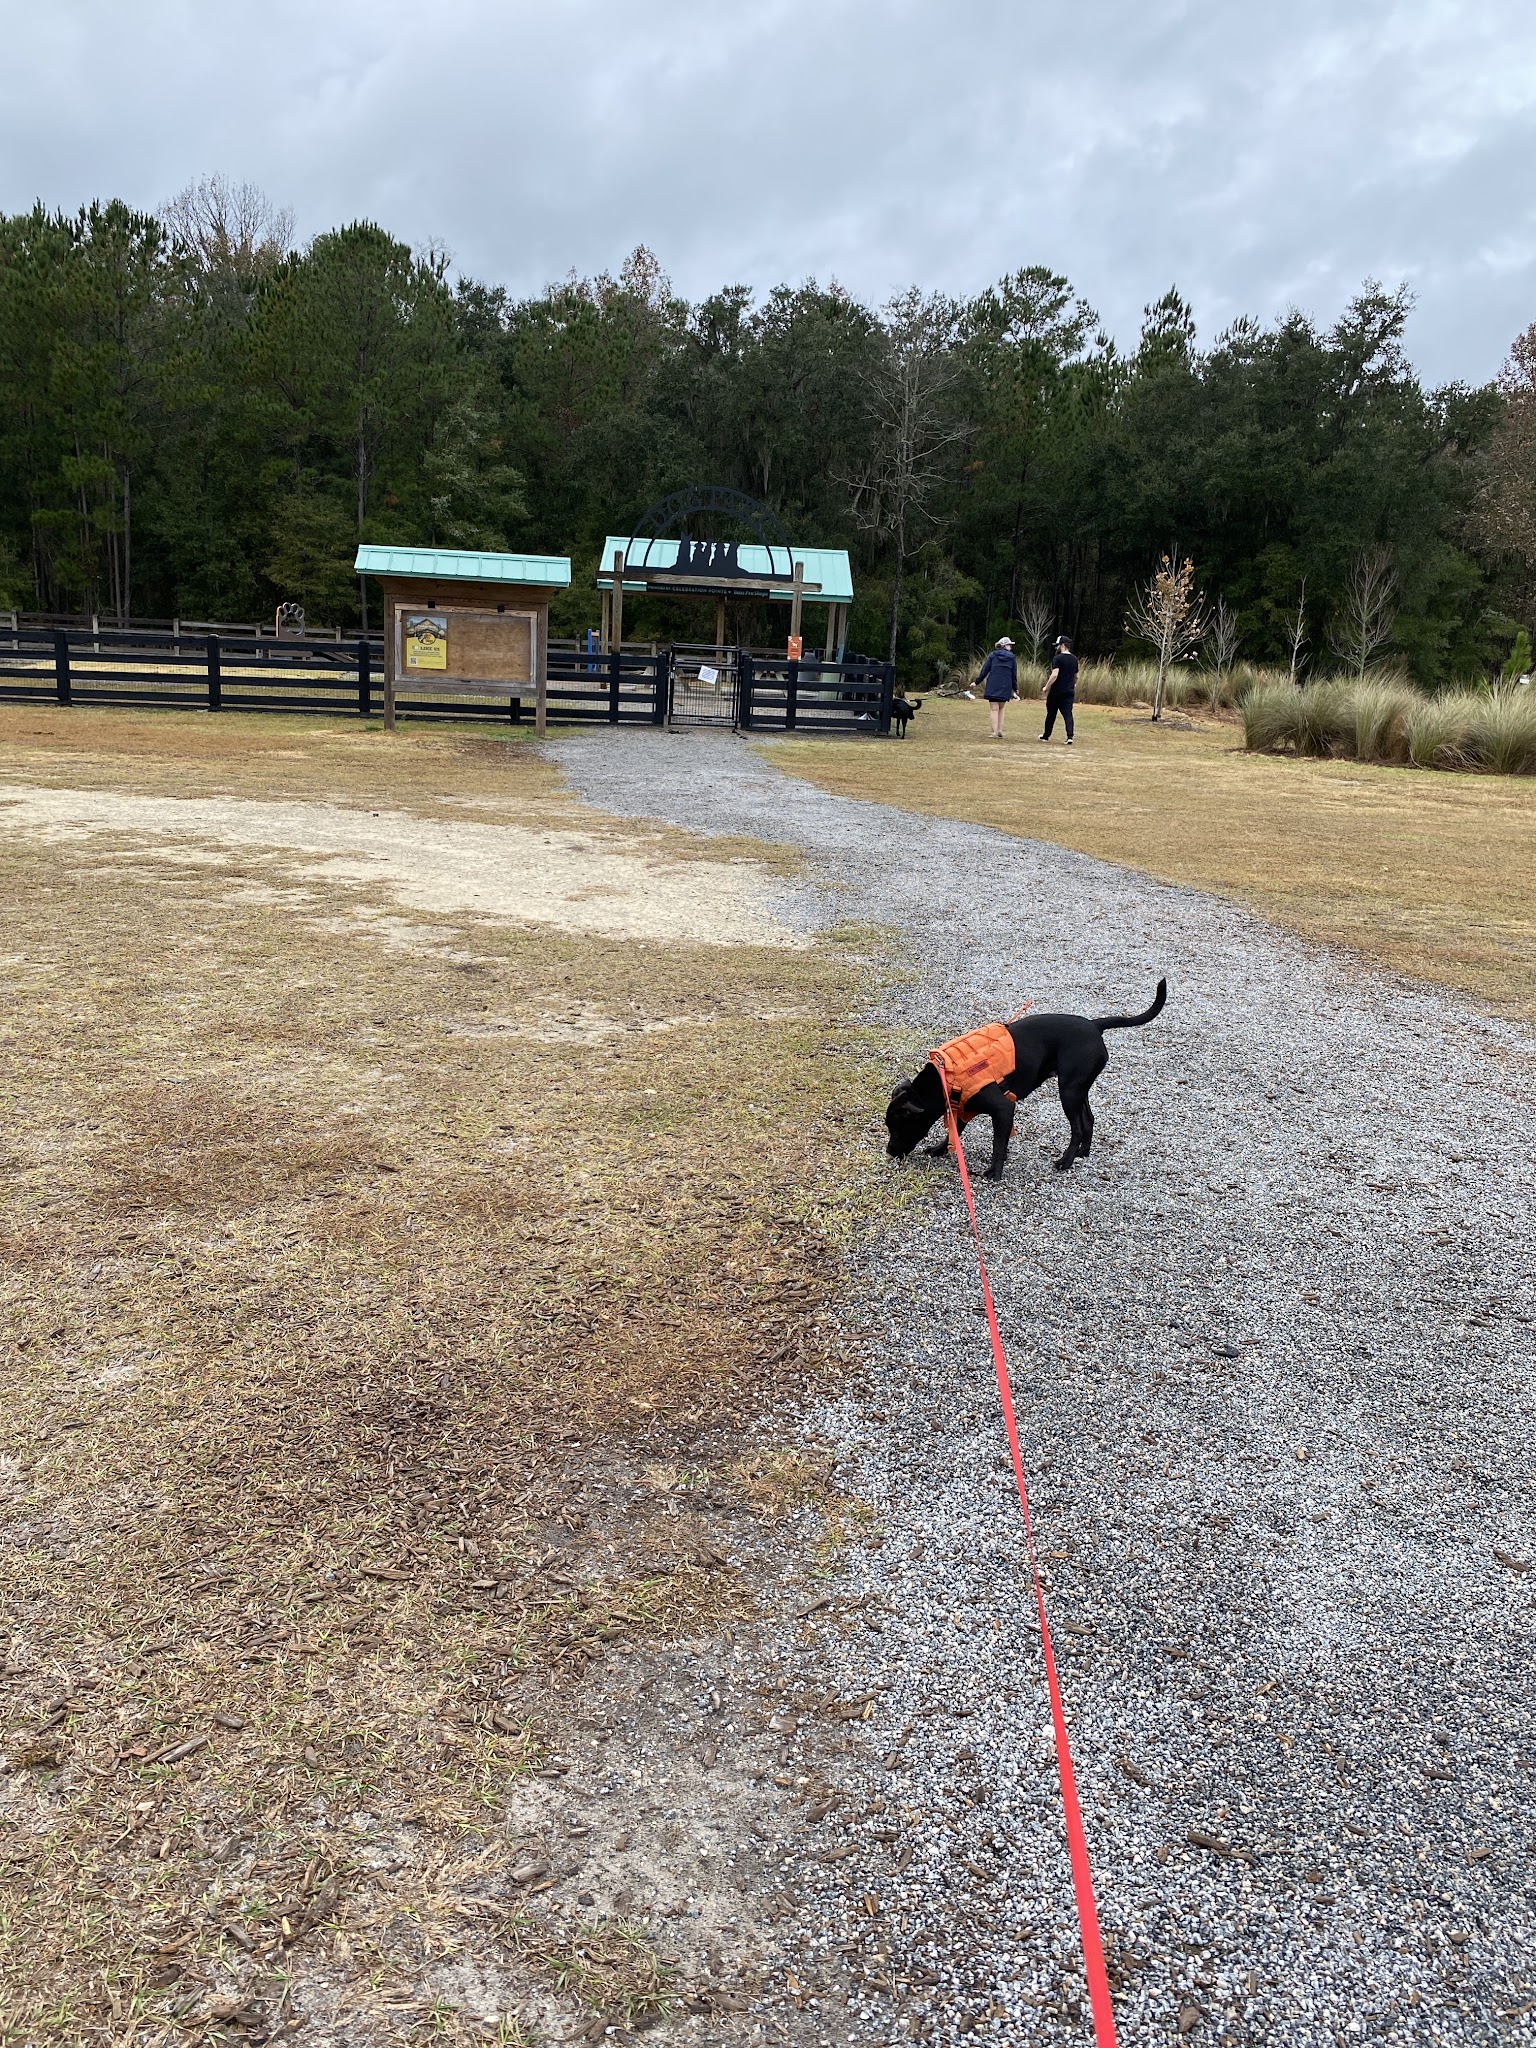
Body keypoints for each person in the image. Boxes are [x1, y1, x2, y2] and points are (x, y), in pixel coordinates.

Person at [976, 636, 1018, 737]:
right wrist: (1015, 688)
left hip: (993, 683)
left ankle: (994, 732)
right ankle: (999, 730)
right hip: (1006, 684)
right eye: (1009, 645)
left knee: (994, 708)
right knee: (1001, 708)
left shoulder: (993, 655)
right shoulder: (1012, 657)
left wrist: (977, 681)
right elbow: (1014, 674)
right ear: (1005, 646)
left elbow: (985, 670)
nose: (1011, 647)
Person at [1040, 634, 1079, 744]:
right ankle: (1070, 736)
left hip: (1057, 691)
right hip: (1069, 691)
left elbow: (1054, 675)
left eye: (1057, 645)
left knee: (1051, 713)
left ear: (1062, 645)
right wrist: (1073, 684)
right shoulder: (1074, 659)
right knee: (1068, 714)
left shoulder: (1057, 658)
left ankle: (1046, 736)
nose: (1056, 647)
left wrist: (1046, 687)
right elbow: (1076, 676)